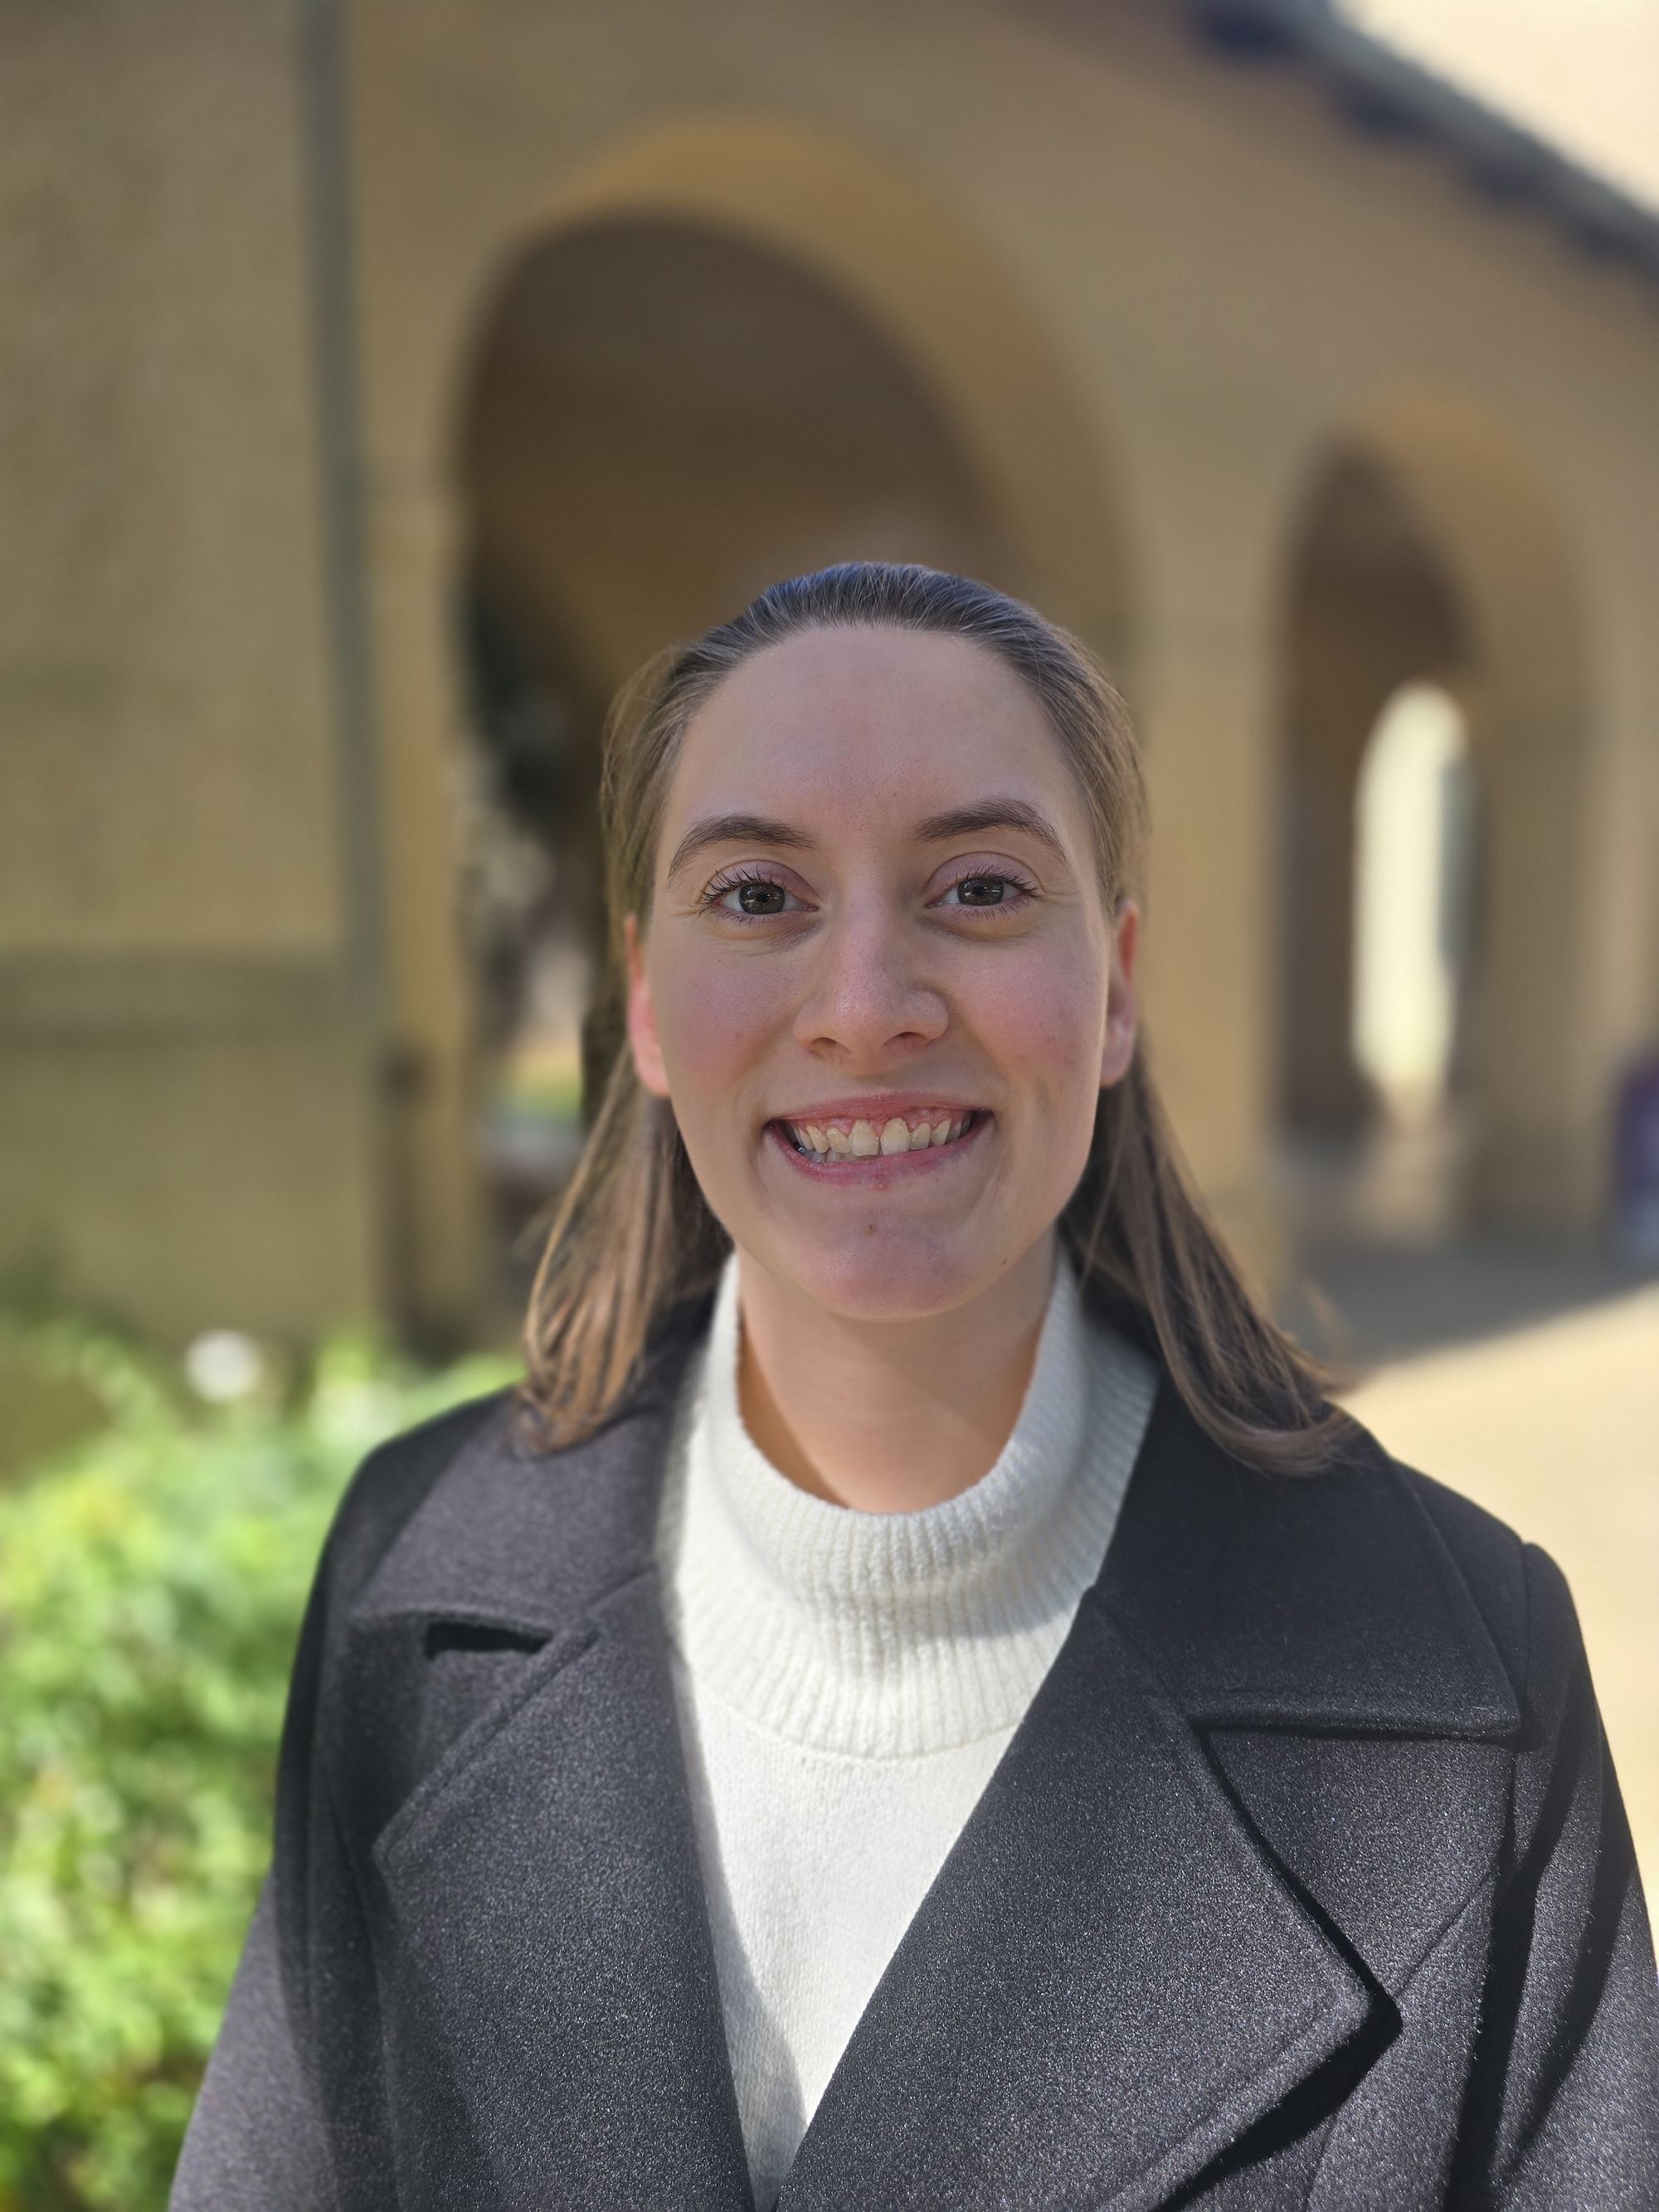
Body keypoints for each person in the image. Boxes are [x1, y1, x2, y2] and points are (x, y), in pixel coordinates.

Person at [173, 562, 1659, 2210]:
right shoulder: (411, 1577)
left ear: (1114, 989)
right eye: (758, 895)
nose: (867, 1009)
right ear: (647, 1004)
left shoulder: (1471, 1682)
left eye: (979, 887)